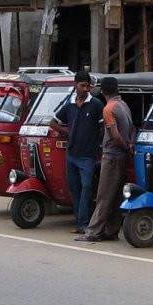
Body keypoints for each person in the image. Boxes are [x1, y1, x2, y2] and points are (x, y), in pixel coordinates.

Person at [79, 76, 134, 243]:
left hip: (111, 156)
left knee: (103, 195)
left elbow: (114, 135)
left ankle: (93, 232)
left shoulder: (108, 109)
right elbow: (133, 129)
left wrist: (124, 146)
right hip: (122, 156)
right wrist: (129, 146)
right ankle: (111, 230)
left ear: (102, 91)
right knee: (116, 196)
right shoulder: (124, 105)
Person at [54, 70, 103, 235]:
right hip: (71, 155)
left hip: (88, 156)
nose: (85, 89)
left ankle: (84, 223)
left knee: (87, 188)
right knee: (74, 189)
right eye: (82, 86)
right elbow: (53, 122)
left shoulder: (96, 104)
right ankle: (80, 222)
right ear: (75, 85)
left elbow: (103, 127)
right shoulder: (69, 105)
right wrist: (68, 132)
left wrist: (98, 144)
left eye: (88, 86)